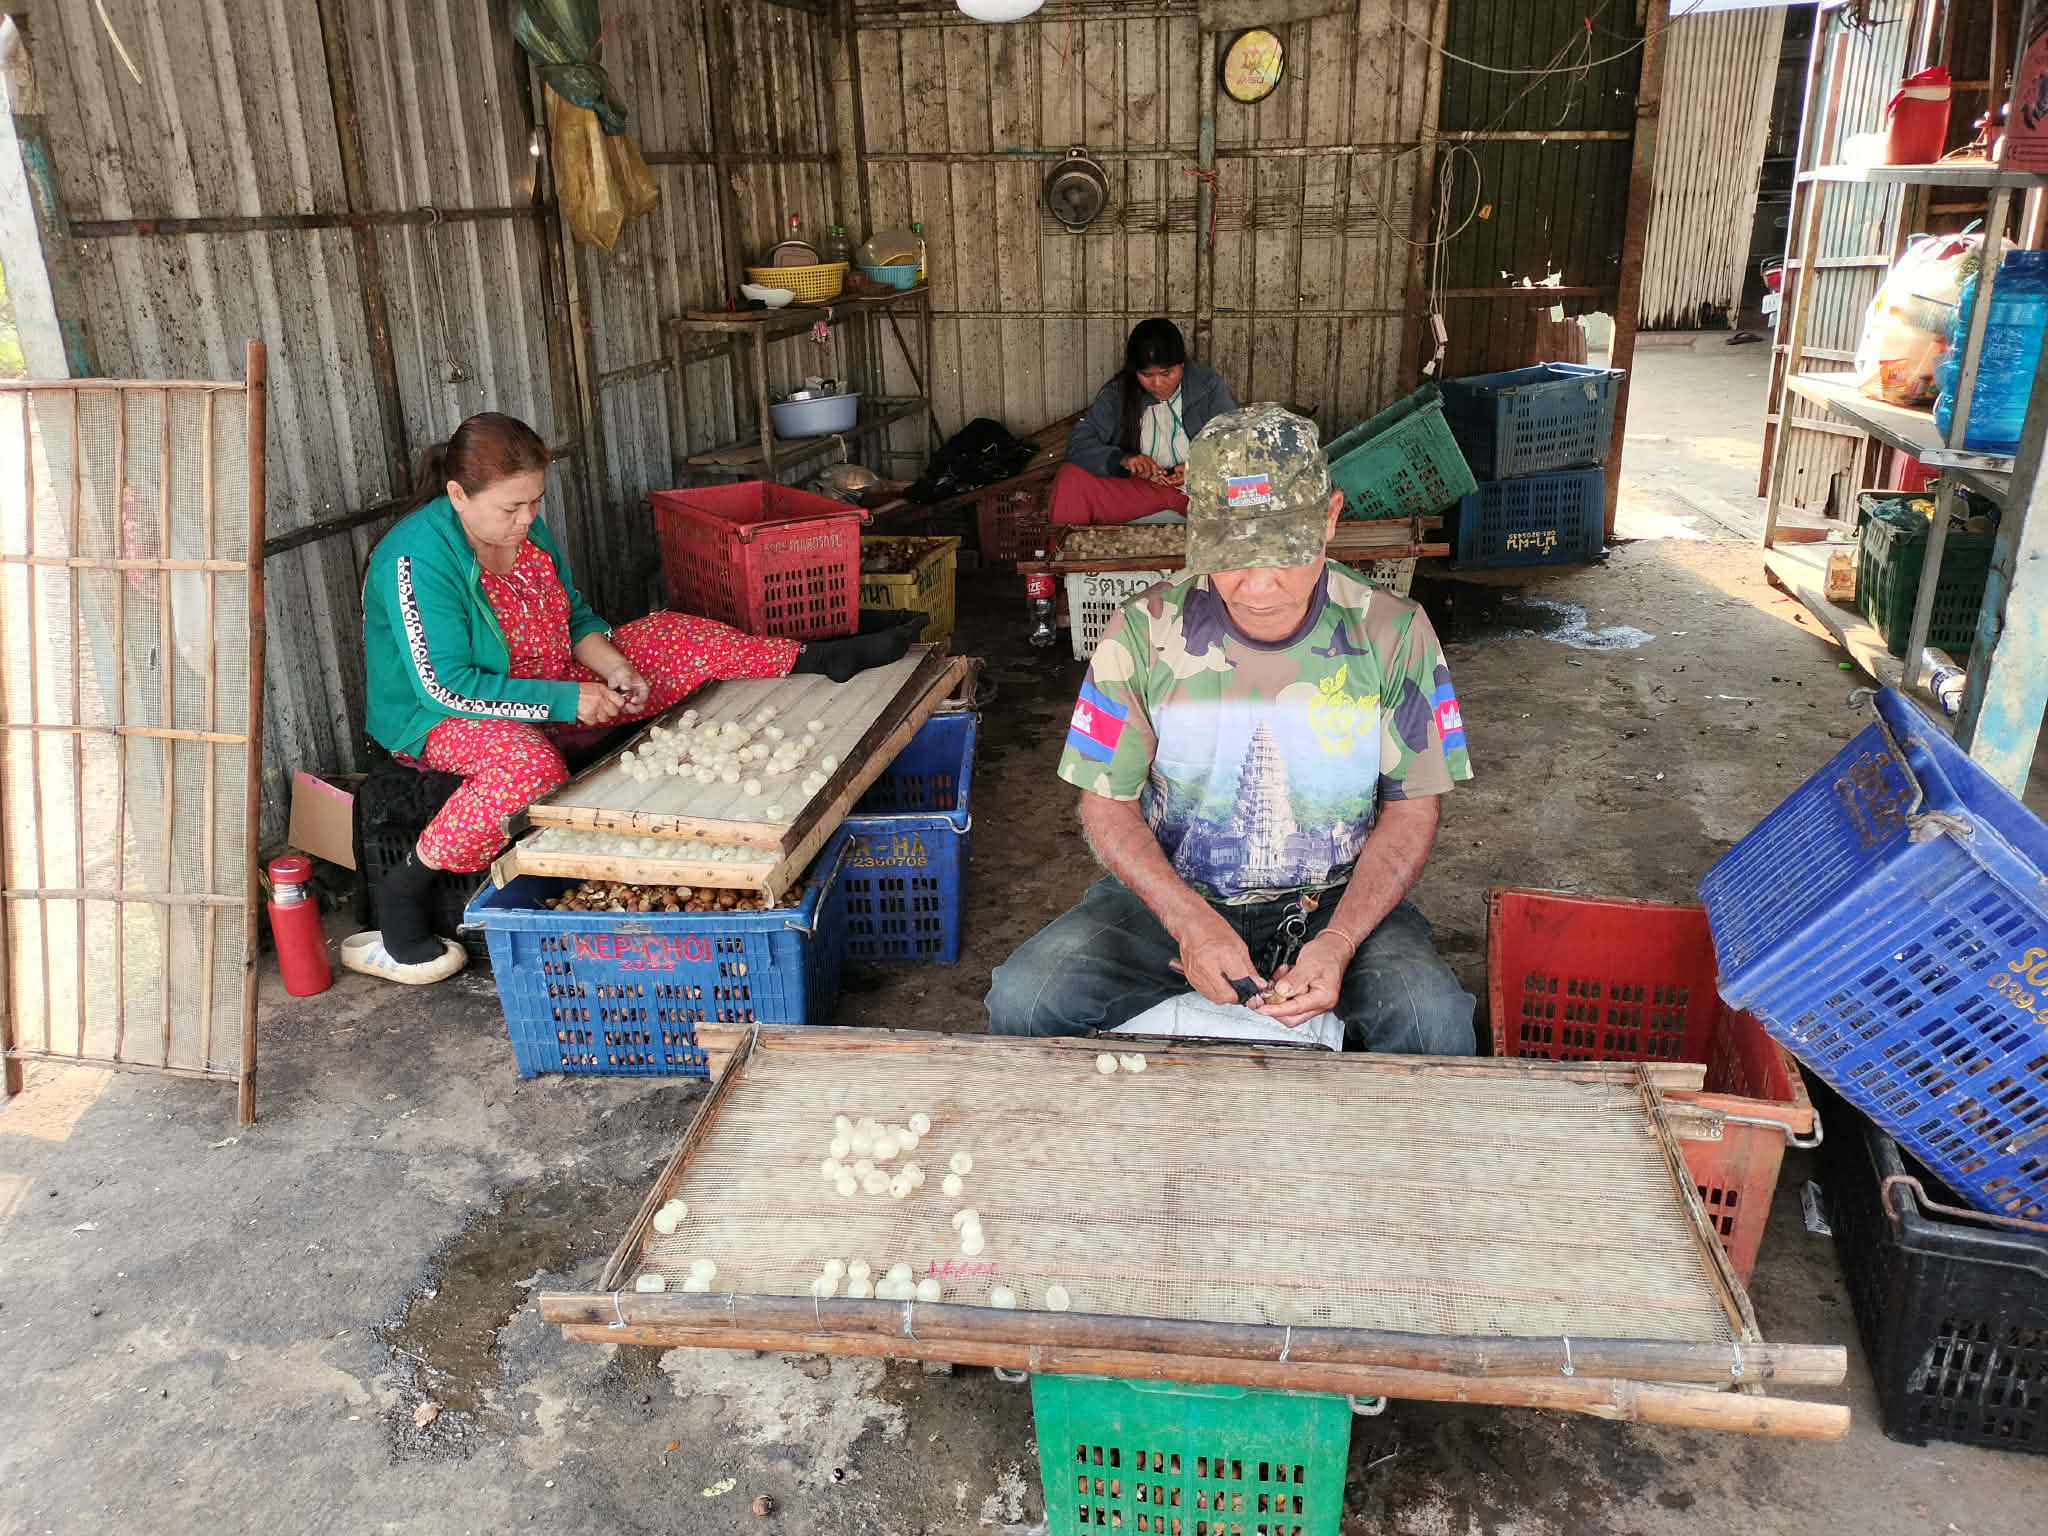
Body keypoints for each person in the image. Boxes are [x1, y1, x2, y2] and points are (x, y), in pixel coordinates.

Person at [349, 412, 913, 984]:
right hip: (444, 716)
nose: (528, 519)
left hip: (551, 678)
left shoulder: (523, 532)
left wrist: (614, 667)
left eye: (536, 502)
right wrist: (568, 702)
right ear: (457, 496)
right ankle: (406, 888)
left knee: (669, 634)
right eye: (512, 507)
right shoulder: (415, 558)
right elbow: (446, 686)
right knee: (528, 771)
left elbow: (574, 617)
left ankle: (816, 657)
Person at [986, 404, 1476, 1052]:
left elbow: (1412, 811)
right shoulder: (1143, 631)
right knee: (1024, 1000)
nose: (1259, 584)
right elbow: (1106, 803)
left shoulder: (1393, 632)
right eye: (1233, 552)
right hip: (1179, 892)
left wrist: (1338, 940)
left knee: (1433, 1024)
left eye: (1284, 550)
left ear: (1329, 518)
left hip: (1336, 897)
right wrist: (1188, 919)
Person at [1049, 318, 1238, 528]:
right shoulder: (1118, 393)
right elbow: (1079, 443)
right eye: (1146, 375)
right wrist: (1122, 461)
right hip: (1143, 492)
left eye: (1166, 373)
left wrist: (1197, 470)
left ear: (1182, 365)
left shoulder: (1208, 386)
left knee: (1253, 485)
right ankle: (1064, 550)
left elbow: (1236, 446)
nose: (1157, 384)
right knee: (1071, 479)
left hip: (1200, 494)